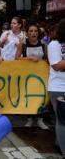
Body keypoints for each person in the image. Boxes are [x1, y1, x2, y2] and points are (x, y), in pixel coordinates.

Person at [15, 24, 49, 130]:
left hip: (41, 76)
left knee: (41, 97)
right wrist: (29, 58)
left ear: (38, 33)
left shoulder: (43, 44)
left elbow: (47, 59)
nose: (33, 33)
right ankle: (29, 119)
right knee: (29, 96)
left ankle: (40, 120)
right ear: (27, 33)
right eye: (31, 31)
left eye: (35, 31)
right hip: (27, 76)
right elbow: (16, 58)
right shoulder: (23, 45)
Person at [47, 19, 65, 156]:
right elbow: (56, 66)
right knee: (62, 120)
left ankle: (60, 144)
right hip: (58, 87)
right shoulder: (54, 45)